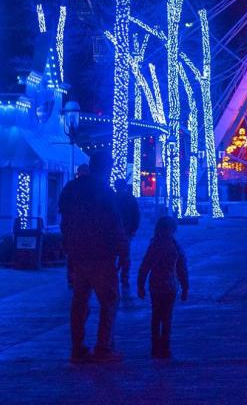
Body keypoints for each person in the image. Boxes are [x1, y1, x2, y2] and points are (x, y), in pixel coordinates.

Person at [58, 150, 126, 363]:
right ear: (105, 167)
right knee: (109, 299)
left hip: (77, 253)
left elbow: (64, 217)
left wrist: (68, 245)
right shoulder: (104, 191)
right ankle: (104, 346)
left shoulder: (72, 188)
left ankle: (77, 346)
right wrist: (122, 251)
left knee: (80, 300)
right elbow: (115, 223)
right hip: (101, 253)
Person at [137, 216, 189, 359]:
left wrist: (140, 285)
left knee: (156, 316)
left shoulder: (154, 246)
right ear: (173, 229)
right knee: (167, 317)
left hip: (155, 286)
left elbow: (144, 267)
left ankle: (155, 347)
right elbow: (181, 269)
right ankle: (165, 348)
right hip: (170, 286)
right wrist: (185, 287)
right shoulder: (175, 247)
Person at [113, 178, 141, 296]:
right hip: (125, 231)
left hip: (113, 232)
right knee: (124, 255)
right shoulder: (130, 199)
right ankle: (124, 278)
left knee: (114, 255)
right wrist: (134, 228)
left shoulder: (112, 198)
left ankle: (115, 275)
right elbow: (136, 214)